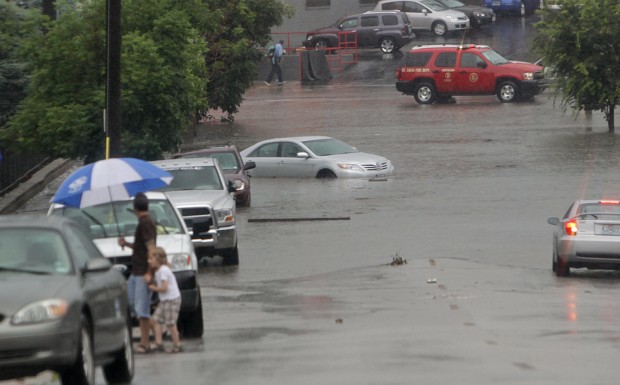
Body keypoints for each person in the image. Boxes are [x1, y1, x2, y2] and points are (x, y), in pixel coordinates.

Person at [118, 192, 157, 354]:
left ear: (135, 208)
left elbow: (151, 249)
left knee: (142, 309)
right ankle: (156, 332)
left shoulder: (146, 223)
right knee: (133, 304)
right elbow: (141, 248)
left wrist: (149, 272)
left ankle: (145, 343)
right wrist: (126, 243)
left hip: (143, 273)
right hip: (136, 272)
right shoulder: (142, 223)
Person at [147, 247, 183, 353]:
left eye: (150, 259)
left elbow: (164, 288)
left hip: (171, 300)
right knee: (154, 320)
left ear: (157, 259)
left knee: (170, 323)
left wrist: (153, 288)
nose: (149, 261)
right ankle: (159, 343)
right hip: (164, 300)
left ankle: (177, 345)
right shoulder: (159, 270)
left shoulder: (163, 271)